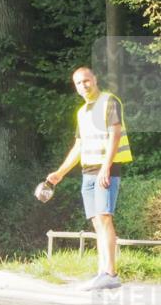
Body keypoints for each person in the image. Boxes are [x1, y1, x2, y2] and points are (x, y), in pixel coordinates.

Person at [46, 67, 133, 291]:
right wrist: (60, 173)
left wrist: (106, 166)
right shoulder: (82, 112)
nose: (83, 86)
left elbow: (115, 135)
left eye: (86, 81)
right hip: (88, 172)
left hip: (107, 169)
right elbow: (79, 146)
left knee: (104, 218)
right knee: (96, 221)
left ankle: (111, 274)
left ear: (95, 80)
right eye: (78, 83)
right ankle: (102, 272)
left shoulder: (109, 101)